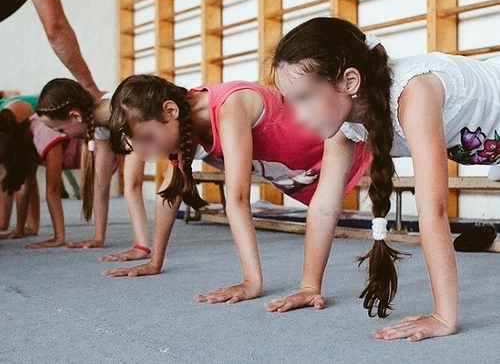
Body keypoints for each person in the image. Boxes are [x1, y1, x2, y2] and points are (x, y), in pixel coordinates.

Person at [266, 16, 500, 342]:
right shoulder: (345, 121)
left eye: (305, 97)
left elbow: (433, 210)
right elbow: (324, 206)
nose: (300, 116)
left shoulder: (414, 95)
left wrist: (444, 316)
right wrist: (309, 286)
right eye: (292, 101)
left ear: (350, 81)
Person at [102, 75, 371, 307]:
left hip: (341, 143)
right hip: (313, 170)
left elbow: (238, 199)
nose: (149, 150)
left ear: (170, 110)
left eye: (148, 138)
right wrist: (155, 262)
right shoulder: (183, 123)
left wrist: (251, 282)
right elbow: (169, 193)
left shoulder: (229, 106)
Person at [36, 79, 148, 261]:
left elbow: (133, 184)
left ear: (75, 116)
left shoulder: (126, 112)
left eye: (61, 129)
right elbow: (101, 183)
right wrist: (98, 237)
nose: (63, 135)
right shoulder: (100, 123)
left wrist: (140, 248)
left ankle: (142, 244)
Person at [0, 96, 82, 247]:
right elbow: (24, 185)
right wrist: (19, 229)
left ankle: (59, 235)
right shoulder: (24, 142)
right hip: (82, 154)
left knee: (51, 188)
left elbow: (53, 189)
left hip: (97, 147)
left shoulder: (44, 131)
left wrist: (58, 238)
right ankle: (29, 227)